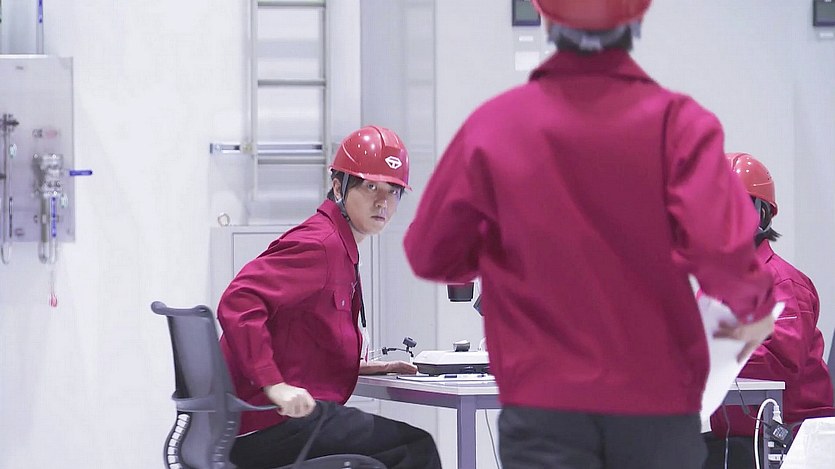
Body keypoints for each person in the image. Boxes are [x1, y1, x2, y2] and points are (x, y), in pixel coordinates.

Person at [402, 1, 777, 468]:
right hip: (656, 408)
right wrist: (755, 307)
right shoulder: (680, 124)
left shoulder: (494, 127)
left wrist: (504, 247)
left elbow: (430, 253)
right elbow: (723, 254)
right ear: (636, 18)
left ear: (545, 17)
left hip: (544, 409)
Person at [217, 125, 442, 469]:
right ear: (339, 186)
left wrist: (356, 365)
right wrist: (274, 385)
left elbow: (303, 335)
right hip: (265, 424)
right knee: (414, 448)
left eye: (393, 190)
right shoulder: (321, 245)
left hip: (267, 424)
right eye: (370, 186)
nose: (383, 201)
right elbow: (239, 300)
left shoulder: (337, 245)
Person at [703, 153, 835, 469]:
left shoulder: (783, 283)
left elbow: (781, 361)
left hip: (792, 439)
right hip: (738, 436)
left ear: (762, 215)